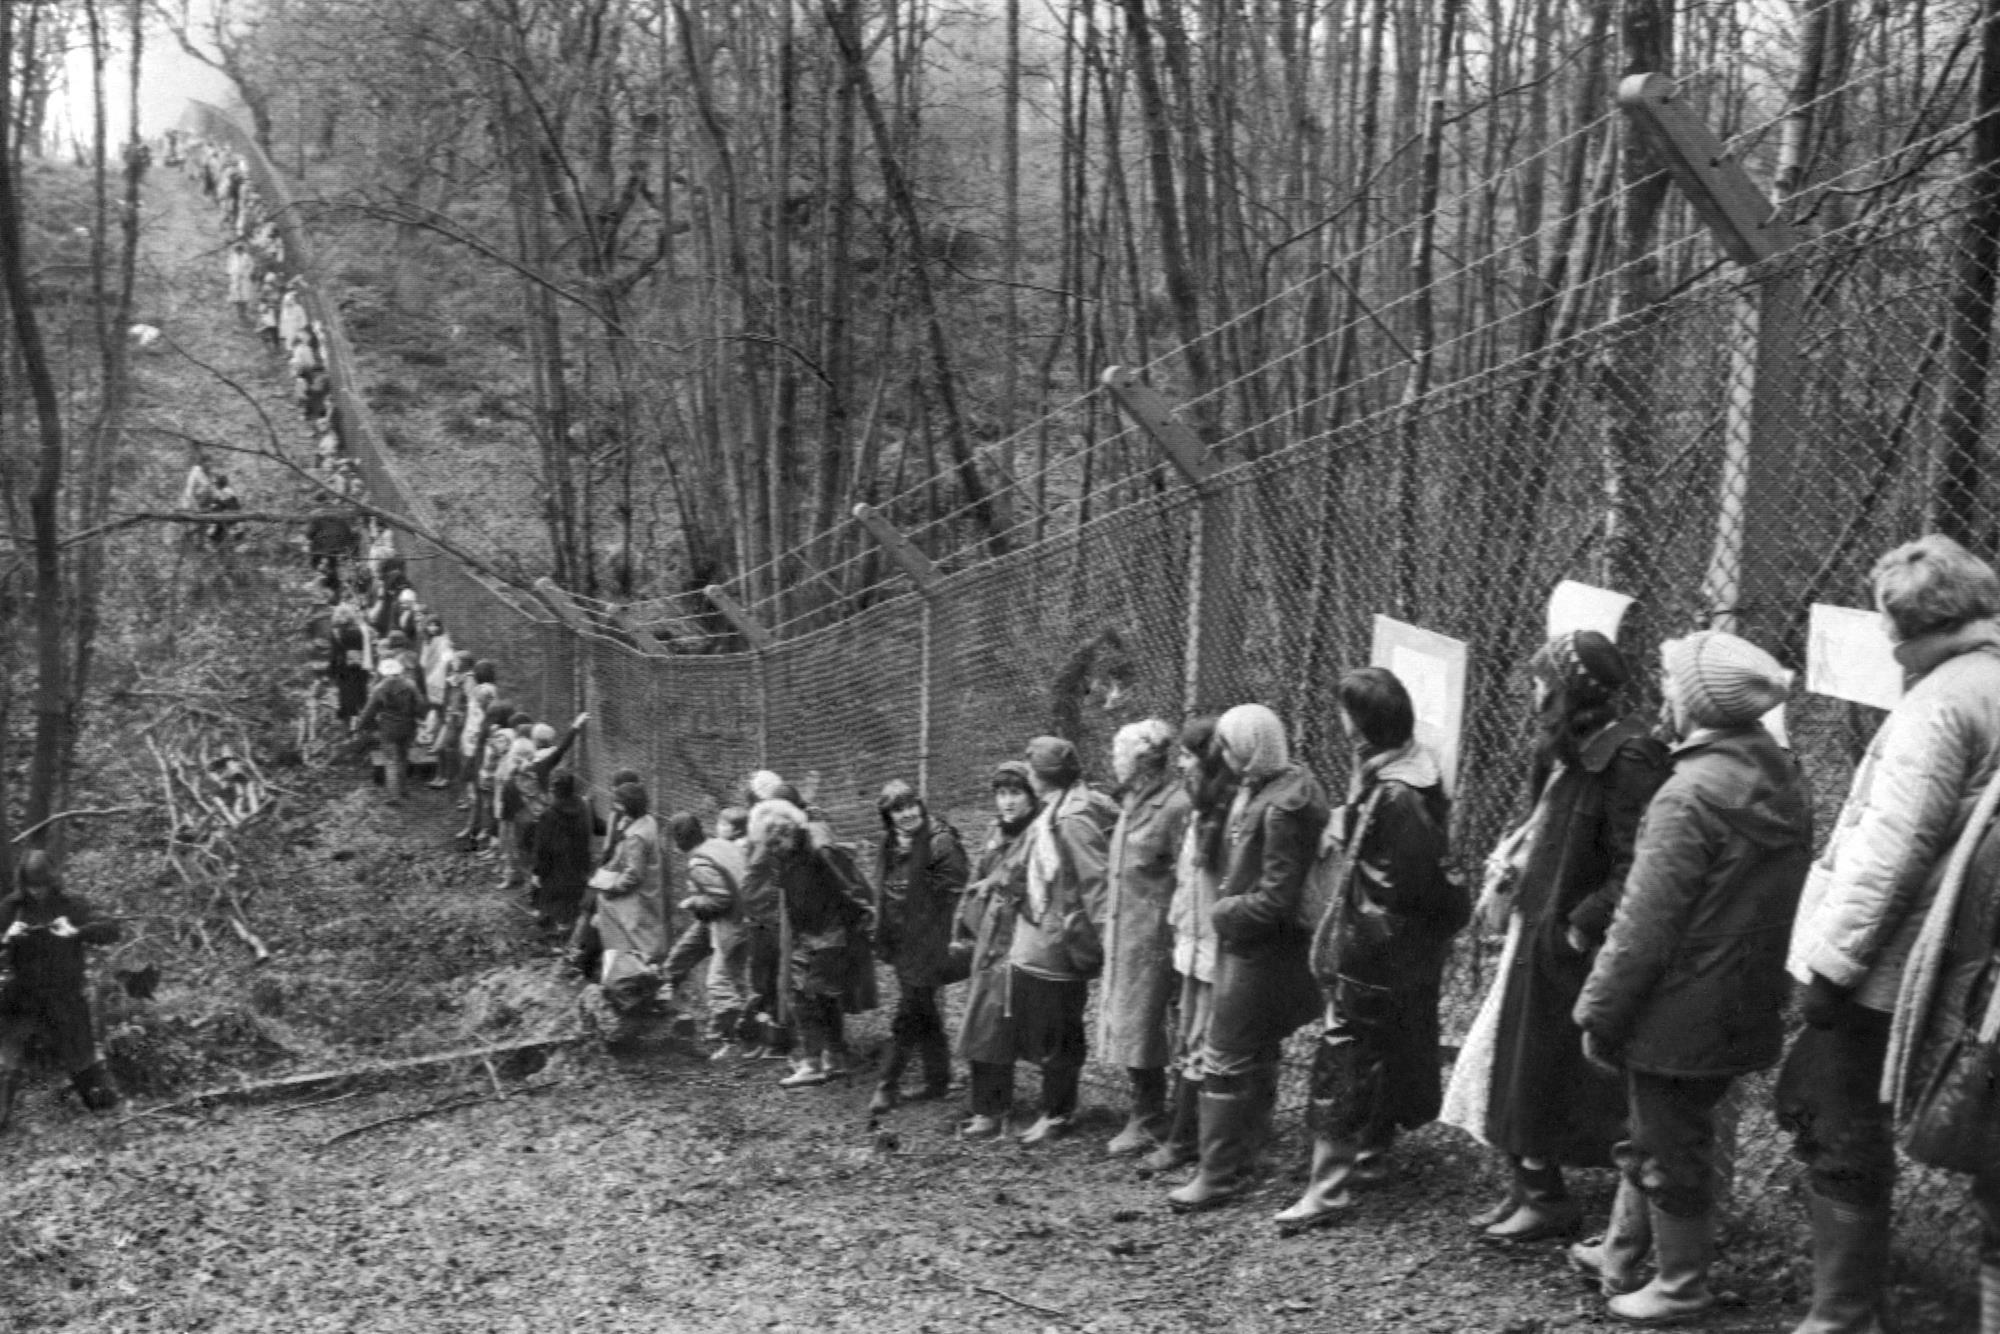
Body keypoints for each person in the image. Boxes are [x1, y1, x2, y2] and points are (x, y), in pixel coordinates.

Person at [1779, 535, 2000, 1334]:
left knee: (1835, 1118)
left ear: (1903, 623)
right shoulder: (1990, 679)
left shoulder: (1941, 700)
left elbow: (1890, 848)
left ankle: (1842, 1312)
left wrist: (1830, 970)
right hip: (1963, 966)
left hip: (1893, 962)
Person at [1562, 632, 1808, 1322]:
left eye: (1672, 682)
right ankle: (1623, 1251)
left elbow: (1643, 925)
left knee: (1670, 1144)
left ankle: (1680, 1283)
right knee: (1668, 1130)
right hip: (1743, 994)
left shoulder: (1687, 795)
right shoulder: (1781, 773)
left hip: (1678, 1004)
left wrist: (1598, 1010)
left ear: (1700, 701)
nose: (1663, 693)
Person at [1448, 630, 1669, 1243]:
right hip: (1537, 930)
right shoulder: (1571, 751)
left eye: (1545, 680)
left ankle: (1547, 1197)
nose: (1535, 690)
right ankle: (1525, 1185)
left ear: (1571, 691)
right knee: (1512, 1064)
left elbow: (1638, 862)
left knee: (1542, 1069)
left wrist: (1580, 924)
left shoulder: (1628, 760)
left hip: (1571, 945)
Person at [1277, 668, 1467, 1233]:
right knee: (1382, 1051)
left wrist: (1355, 948)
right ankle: (1369, 1156)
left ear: (1362, 725)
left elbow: (1396, 887)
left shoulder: (1396, 793)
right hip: (1398, 949)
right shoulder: (1400, 773)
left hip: (1378, 949)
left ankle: (1327, 1189)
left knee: (1344, 1055)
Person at [1167, 703, 1329, 1213]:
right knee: (1255, 1050)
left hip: (1259, 949)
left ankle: (1217, 1174)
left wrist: (1224, 911)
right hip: (1256, 945)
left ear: (1255, 747)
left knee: (1225, 1055)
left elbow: (1278, 897)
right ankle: (1247, 1153)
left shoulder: (1284, 804)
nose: (1228, 760)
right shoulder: (1271, 786)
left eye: (1234, 749)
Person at [1000, 736, 1116, 1144]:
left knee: (1059, 1031)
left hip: (1062, 942)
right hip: (1043, 935)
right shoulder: (1055, 808)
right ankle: (1053, 1106)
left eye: (1032, 770)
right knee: (1047, 1028)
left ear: (1043, 776)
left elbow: (1096, 882)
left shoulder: (1072, 818)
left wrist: (1105, 938)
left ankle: (1058, 1113)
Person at [1140, 717, 1237, 1175]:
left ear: (1208, 760)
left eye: (1187, 755)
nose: (1180, 764)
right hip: (1192, 940)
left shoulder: (1229, 810)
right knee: (1187, 1036)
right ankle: (1185, 1134)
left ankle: (1189, 1141)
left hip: (1216, 946)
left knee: (1204, 1040)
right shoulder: (1198, 809)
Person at [1098, 719, 1191, 1156]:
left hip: (1156, 934)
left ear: (1143, 760)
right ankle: (1145, 1108)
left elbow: (1186, 872)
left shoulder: (1175, 806)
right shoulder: (1131, 802)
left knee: (1148, 1022)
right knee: (1131, 1020)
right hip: (1125, 928)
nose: (1113, 761)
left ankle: (1151, 1116)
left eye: (1119, 753)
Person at [746, 797, 875, 1088]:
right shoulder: (784, 856)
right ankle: (828, 1057)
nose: (773, 850)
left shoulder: (818, 848)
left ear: (788, 831)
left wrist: (865, 916)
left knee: (813, 994)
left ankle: (816, 1061)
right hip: (807, 932)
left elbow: (848, 885)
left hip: (831, 931)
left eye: (776, 843)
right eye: (769, 845)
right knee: (812, 995)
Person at [952, 761, 1043, 1139]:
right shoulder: (995, 831)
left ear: (1031, 795)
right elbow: (976, 878)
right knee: (982, 1019)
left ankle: (992, 1110)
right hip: (988, 937)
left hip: (1017, 940)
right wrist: (961, 923)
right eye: (1001, 793)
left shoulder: (1037, 835)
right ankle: (987, 1104)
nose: (1006, 802)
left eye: (1015, 793)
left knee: (994, 1022)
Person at [0, 852, 123, 1128]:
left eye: (42, 885)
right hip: (21, 999)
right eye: (33, 886)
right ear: (24, 883)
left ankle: (108, 1118)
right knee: (5, 1065)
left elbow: (111, 929)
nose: (38, 891)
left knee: (84, 1063)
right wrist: (7, 937)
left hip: (65, 997)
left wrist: (76, 932)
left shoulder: (71, 904)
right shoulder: (10, 907)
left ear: (52, 881)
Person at [870, 781, 970, 1113]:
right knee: (923, 1011)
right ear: (889, 816)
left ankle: (887, 1083)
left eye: (912, 804)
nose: (908, 813)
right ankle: (938, 1080)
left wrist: (932, 933)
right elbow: (884, 893)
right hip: (902, 943)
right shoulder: (889, 844)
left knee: (908, 1013)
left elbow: (955, 895)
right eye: (899, 809)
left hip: (932, 943)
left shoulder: (940, 842)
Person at [577, 782, 666, 1022]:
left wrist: (611, 888)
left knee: (622, 941)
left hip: (633, 898)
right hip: (646, 891)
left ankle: (622, 993)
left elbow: (634, 873)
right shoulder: (646, 822)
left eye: (618, 802)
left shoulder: (636, 835)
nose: (615, 806)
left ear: (627, 805)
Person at [667, 812, 753, 1058]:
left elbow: (721, 898)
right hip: (739, 915)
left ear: (679, 840)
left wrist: (694, 901)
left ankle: (734, 1041)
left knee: (718, 982)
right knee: (680, 956)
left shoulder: (700, 863)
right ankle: (664, 1008)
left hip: (732, 920)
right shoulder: (718, 843)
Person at [355, 657, 432, 805]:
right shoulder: (410, 685)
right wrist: (420, 717)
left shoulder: (379, 688)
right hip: (408, 727)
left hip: (388, 729)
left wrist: (360, 726)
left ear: (383, 672)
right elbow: (421, 704)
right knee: (403, 758)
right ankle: (403, 789)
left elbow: (368, 711)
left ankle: (393, 796)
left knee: (391, 761)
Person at [531, 772, 597, 932]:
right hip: (580, 862)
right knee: (571, 899)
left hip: (556, 867)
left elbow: (542, 847)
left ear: (554, 791)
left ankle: (557, 927)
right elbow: (594, 826)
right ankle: (566, 926)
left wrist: (537, 871)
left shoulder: (548, 815)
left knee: (553, 895)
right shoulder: (583, 806)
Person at [327, 604, 371, 724]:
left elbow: (334, 653)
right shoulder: (359, 630)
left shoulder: (335, 632)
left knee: (345, 692)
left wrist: (331, 671)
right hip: (358, 666)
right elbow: (363, 649)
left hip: (343, 667)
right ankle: (361, 719)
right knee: (358, 692)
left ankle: (347, 718)